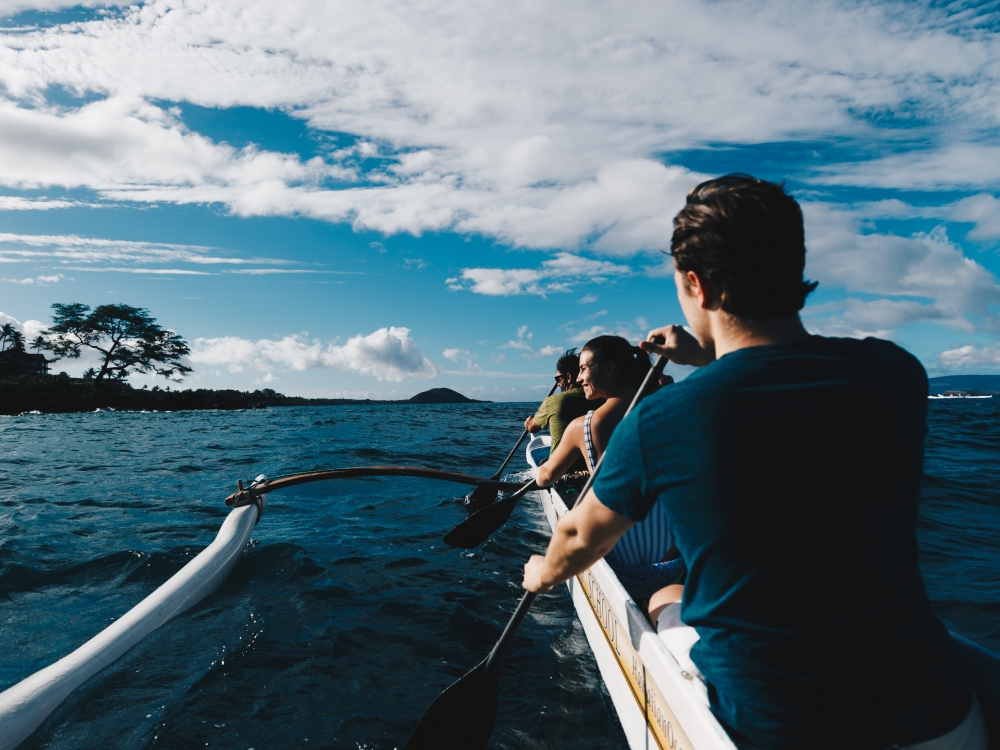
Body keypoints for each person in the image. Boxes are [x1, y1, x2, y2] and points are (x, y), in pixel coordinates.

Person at [522, 174, 984, 750]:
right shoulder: (895, 374)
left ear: (696, 285)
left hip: (778, 725)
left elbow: (577, 537)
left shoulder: (662, 420)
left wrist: (540, 573)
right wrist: (705, 351)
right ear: (795, 270)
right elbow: (774, 383)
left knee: (666, 596)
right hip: (941, 718)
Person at [534, 335, 684, 597]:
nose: (579, 379)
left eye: (583, 368)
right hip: (673, 557)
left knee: (576, 516)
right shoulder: (670, 409)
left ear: (610, 369)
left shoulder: (583, 426)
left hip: (624, 563)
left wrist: (541, 470)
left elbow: (545, 479)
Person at [524, 349, 591, 453]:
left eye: (558, 379)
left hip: (561, 467)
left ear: (568, 377)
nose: (558, 383)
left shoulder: (554, 401)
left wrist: (528, 422)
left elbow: (532, 428)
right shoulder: (599, 398)